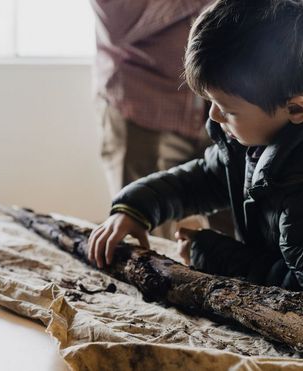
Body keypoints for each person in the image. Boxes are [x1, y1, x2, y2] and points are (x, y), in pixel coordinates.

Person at [88, 0, 303, 301]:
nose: (213, 116)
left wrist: (208, 253)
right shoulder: (271, 120)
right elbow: (209, 176)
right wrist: (136, 207)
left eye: (227, 110)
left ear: (296, 109)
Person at [90, 0, 221, 238]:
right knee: (148, 237)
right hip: (143, 109)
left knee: (236, 238)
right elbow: (119, 21)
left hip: (226, 107)